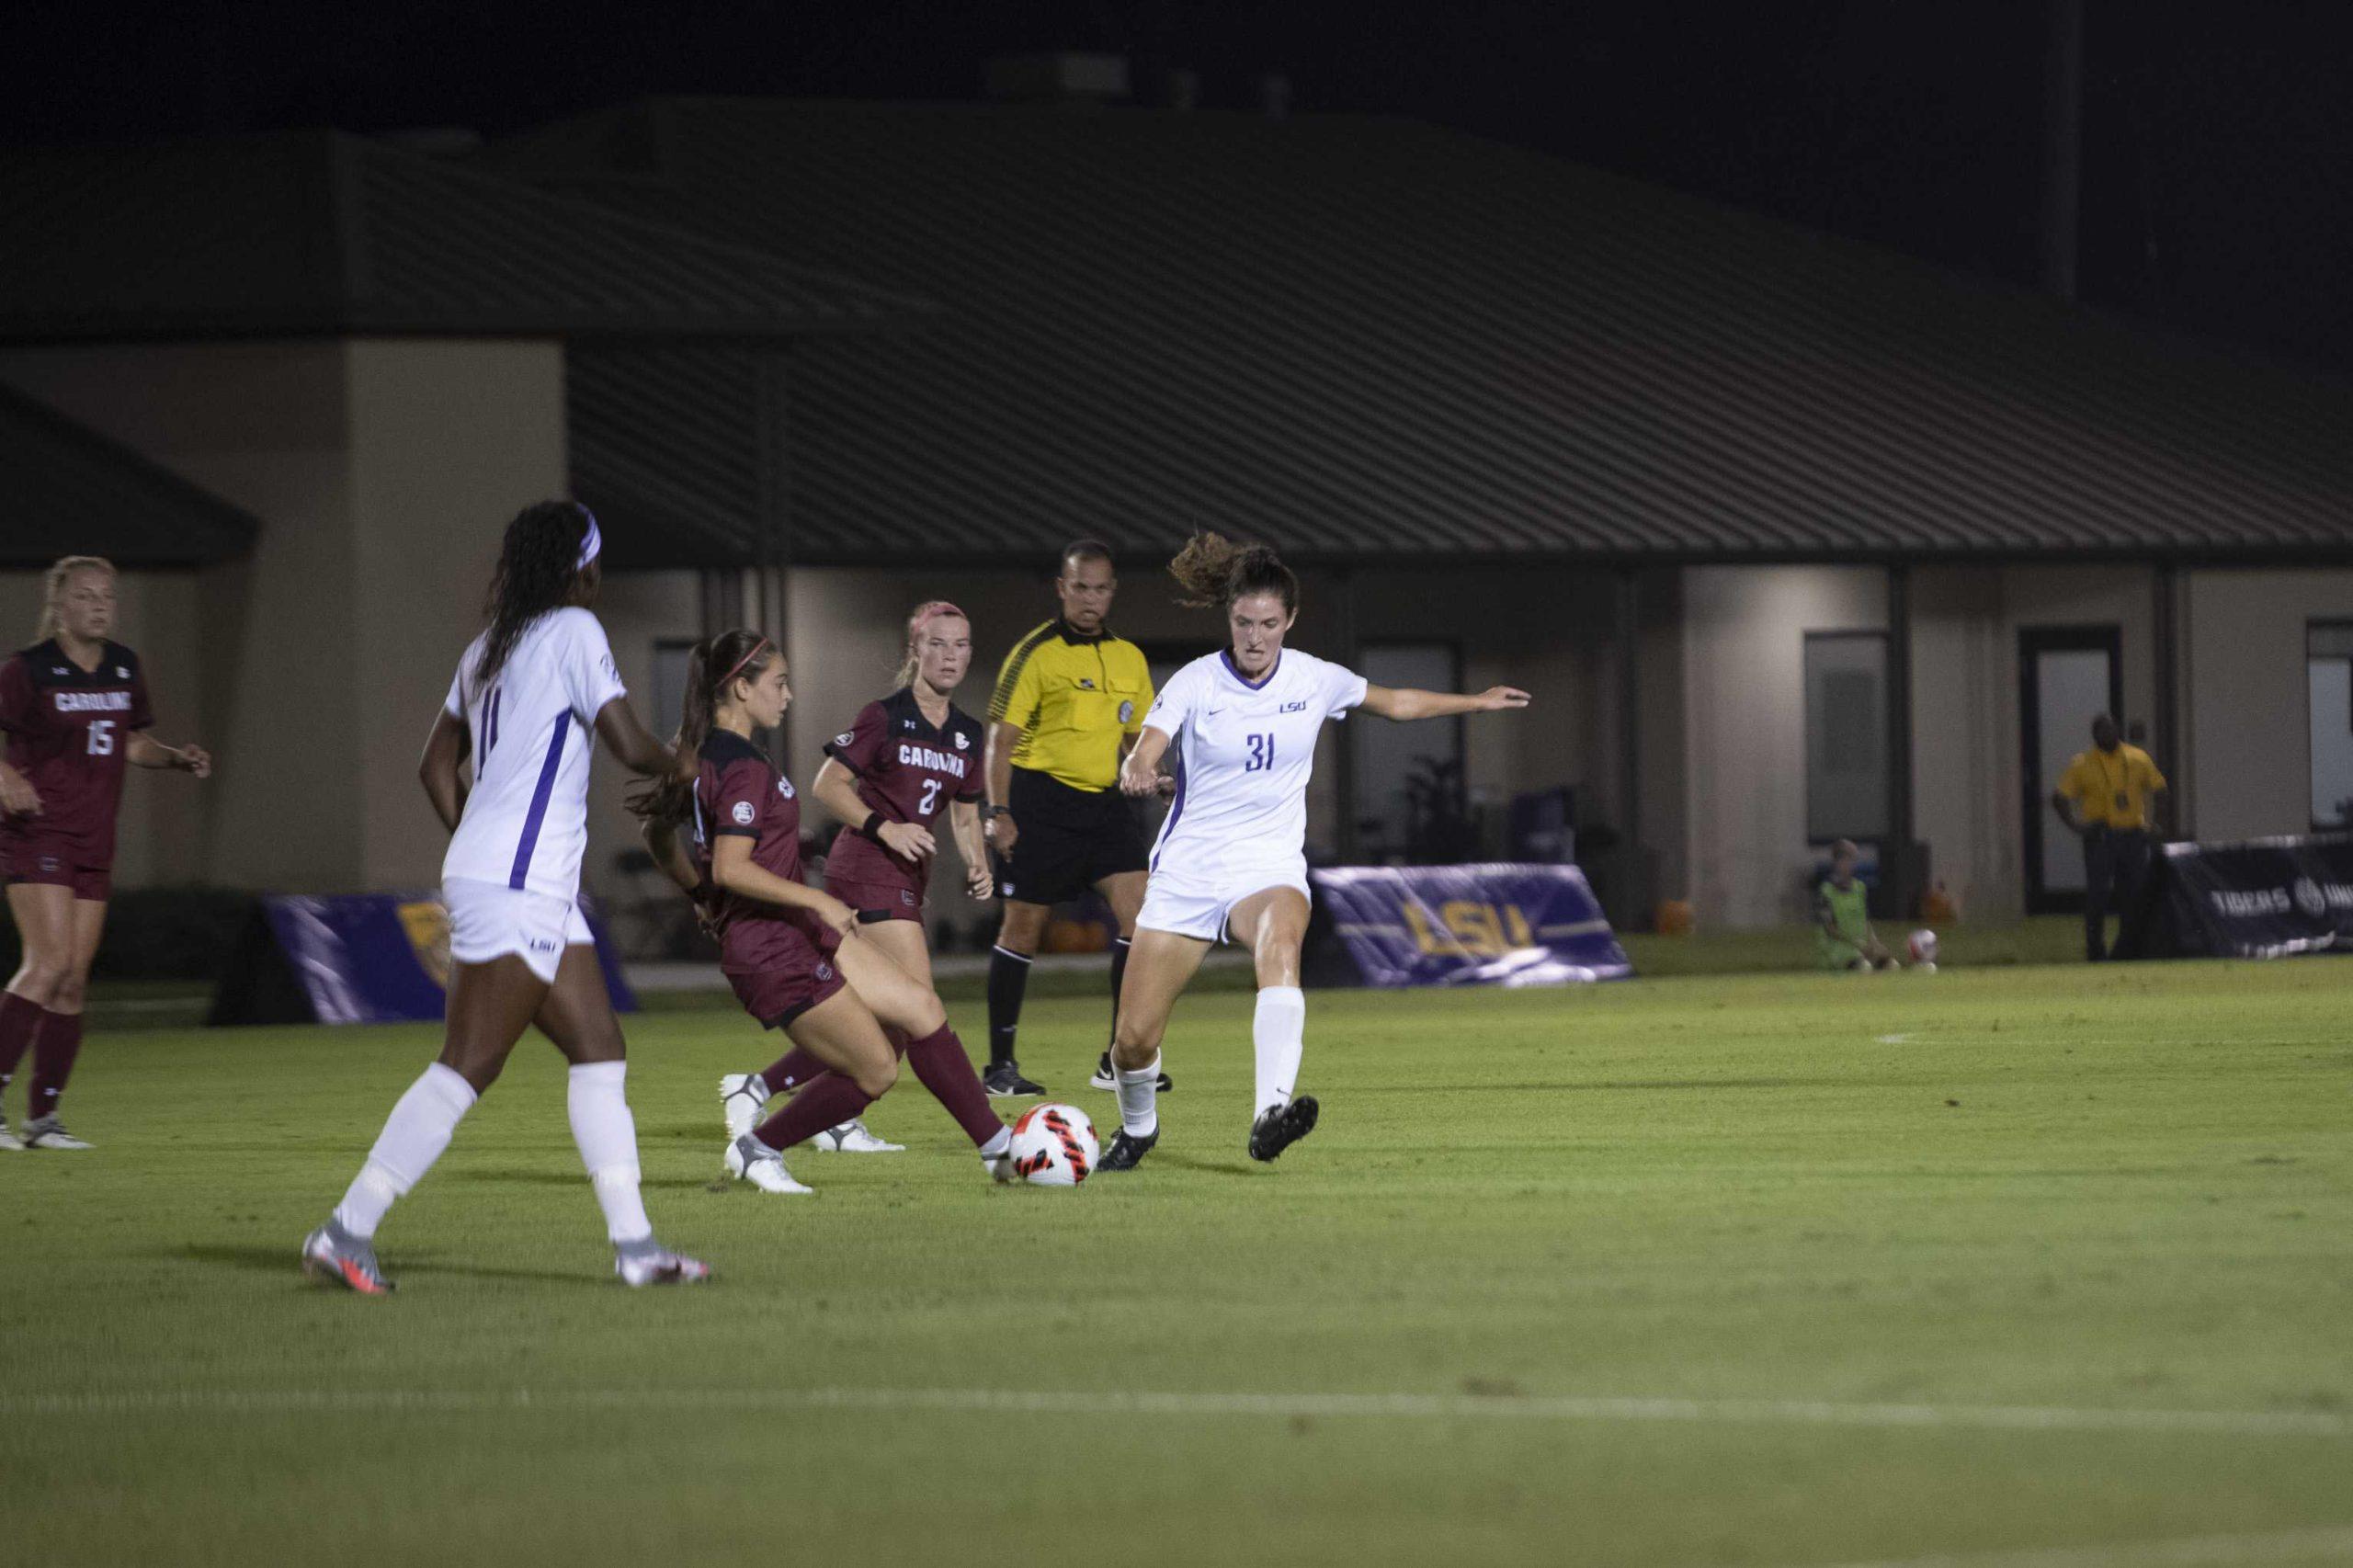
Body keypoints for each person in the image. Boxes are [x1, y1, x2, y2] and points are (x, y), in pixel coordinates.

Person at [302, 502, 708, 1293]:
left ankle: (637, 1249)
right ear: (580, 566)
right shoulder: (573, 632)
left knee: (599, 1051)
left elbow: (434, 768)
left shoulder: (486, 647)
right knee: (467, 1066)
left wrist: (476, 841)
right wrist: (682, 762)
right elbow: (628, 744)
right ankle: (346, 1228)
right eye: (596, 562)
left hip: (520, 878)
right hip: (519, 879)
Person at [1097, 533, 1529, 1172]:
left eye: (1269, 624)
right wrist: (1139, 766)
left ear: (1289, 622)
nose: (1254, 636)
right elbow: (1150, 742)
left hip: (1267, 866)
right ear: (1229, 619)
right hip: (1190, 868)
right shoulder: (1195, 682)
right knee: (1132, 1044)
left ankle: (1269, 1114)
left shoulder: (1314, 678)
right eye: (1244, 622)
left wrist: (1476, 701)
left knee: (1282, 942)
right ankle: (1138, 1129)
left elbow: (1397, 702)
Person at [634, 629, 1014, 1195]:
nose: (788, 697)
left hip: (796, 929)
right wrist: (814, 897)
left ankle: (997, 1148)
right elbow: (731, 868)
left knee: (920, 1006)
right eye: (779, 683)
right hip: (769, 945)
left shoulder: (708, 758)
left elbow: (658, 832)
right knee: (877, 1067)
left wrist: (700, 899)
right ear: (741, 688)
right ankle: (757, 1149)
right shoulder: (739, 765)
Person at [711, 601, 994, 1156]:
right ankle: (992, 1141)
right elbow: (827, 785)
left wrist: (977, 860)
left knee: (885, 1019)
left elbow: (963, 813)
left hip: (906, 880)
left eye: (961, 645)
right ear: (914, 651)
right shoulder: (884, 716)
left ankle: (769, 1091)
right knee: (918, 1012)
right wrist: (885, 828)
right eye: (937, 643)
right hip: (865, 871)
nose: (950, 656)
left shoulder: (967, 734)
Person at [0, 556, 210, 1152]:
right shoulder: (27, 669)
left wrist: (175, 758)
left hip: (94, 838)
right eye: (87, 596)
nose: (100, 605)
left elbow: (129, 740)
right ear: (60, 607)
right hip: (37, 832)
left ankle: (43, 1120)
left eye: (108, 596)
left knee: (70, 982)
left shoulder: (123, 666)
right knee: (46, 964)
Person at [981, 540, 1168, 1098]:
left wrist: (1157, 776)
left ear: (1113, 592)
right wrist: (999, 811)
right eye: (1080, 587)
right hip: (1040, 802)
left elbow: (1138, 739)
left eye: (1101, 588)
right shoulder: (1035, 653)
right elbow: (1000, 743)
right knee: (1023, 928)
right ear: (1062, 588)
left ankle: (1121, 1059)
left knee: (1141, 920)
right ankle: (1000, 1068)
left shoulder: (1130, 657)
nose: (1091, 598)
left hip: (1106, 806)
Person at [2051, 712, 2167, 962]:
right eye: (2102, 732)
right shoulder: (2083, 763)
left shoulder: (2137, 758)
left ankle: (2130, 949)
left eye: (2112, 730)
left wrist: (2155, 824)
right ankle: (2096, 951)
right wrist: (2076, 826)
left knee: (2134, 895)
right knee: (2098, 897)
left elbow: (2159, 789)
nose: (2108, 735)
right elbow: (2059, 797)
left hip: (2133, 835)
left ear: (2118, 731)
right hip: (2101, 836)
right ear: (2094, 736)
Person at [1813, 839, 1896, 971]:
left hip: (1861, 948)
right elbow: (1830, 928)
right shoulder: (1826, 892)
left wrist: (1874, 942)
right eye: (1846, 859)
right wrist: (1858, 944)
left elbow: (1865, 920)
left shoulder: (1860, 888)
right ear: (1837, 862)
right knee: (1864, 968)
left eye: (1852, 859)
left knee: (1891, 966)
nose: (1850, 864)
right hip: (1838, 950)